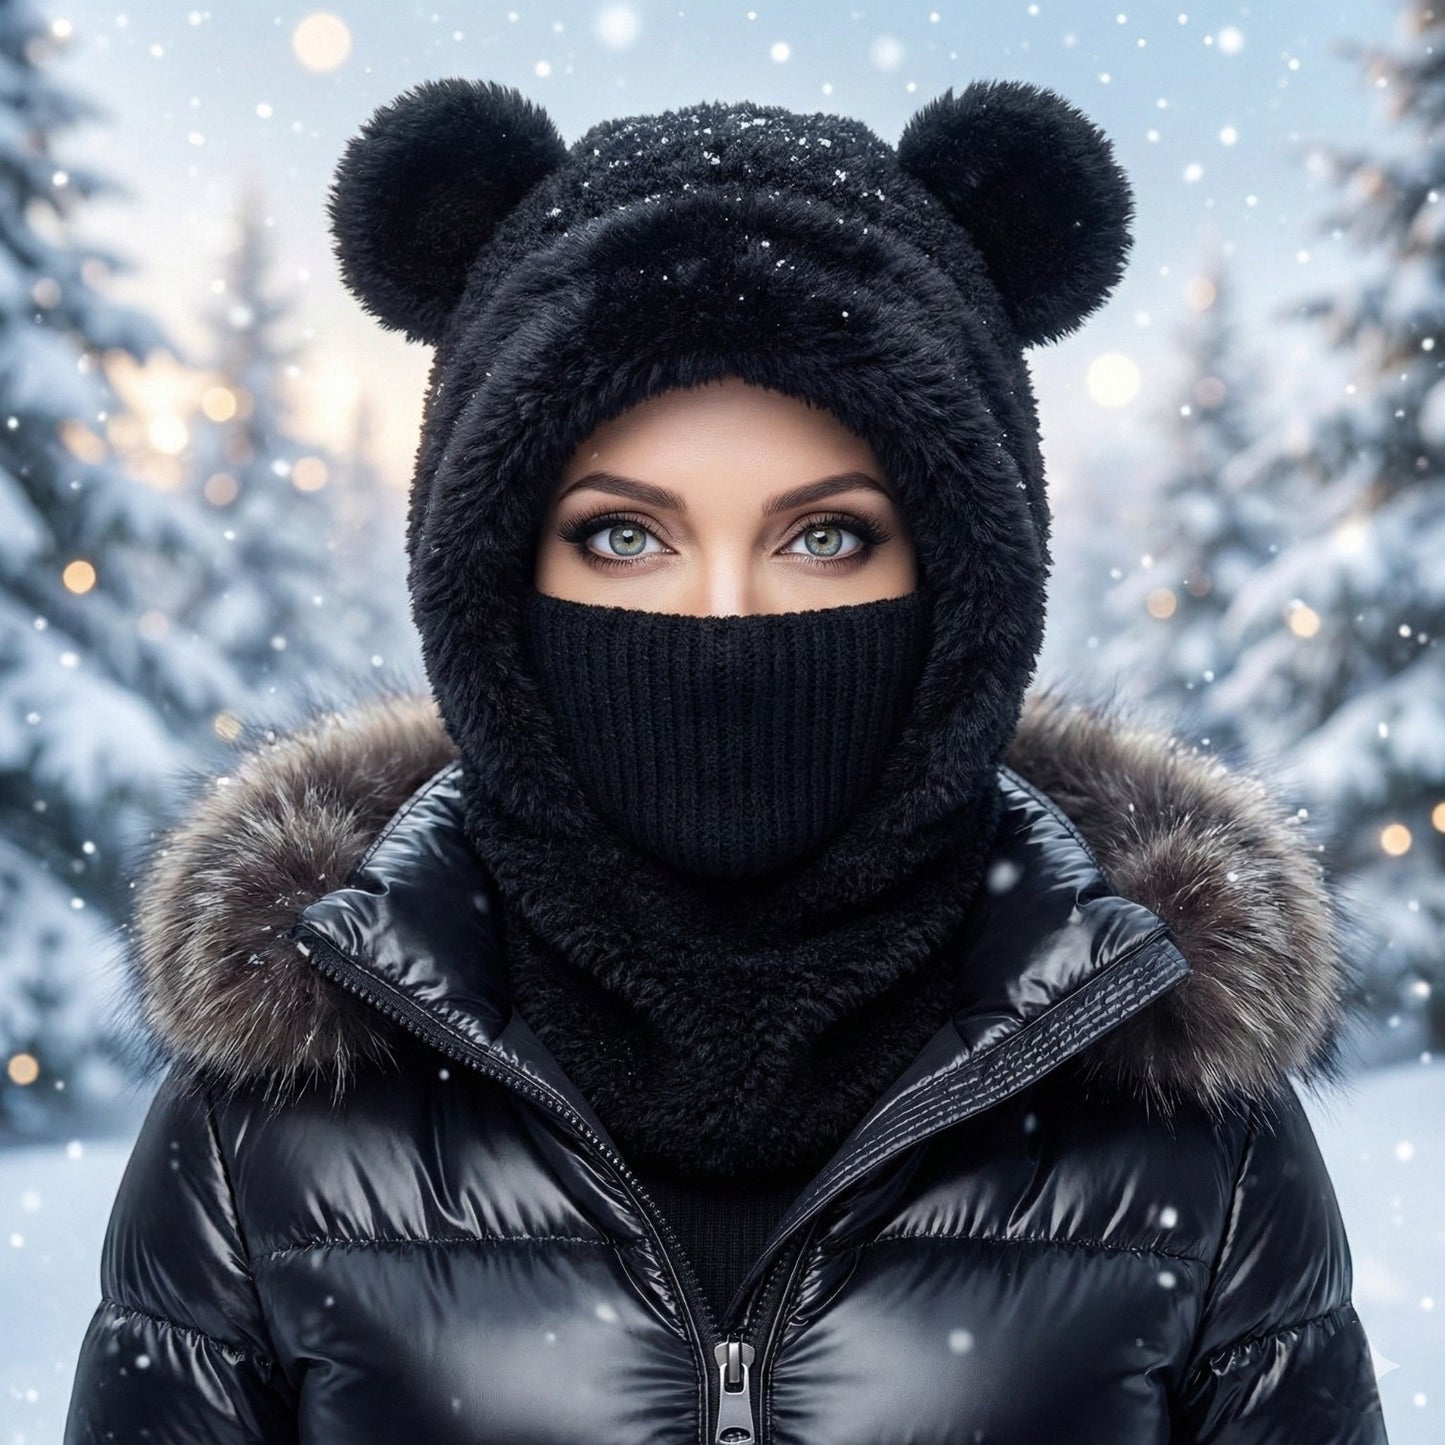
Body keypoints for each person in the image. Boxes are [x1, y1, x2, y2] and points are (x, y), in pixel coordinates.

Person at [63, 78, 1389, 1443]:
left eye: (825, 537)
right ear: (484, 573)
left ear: (965, 578)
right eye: (622, 537)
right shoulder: (275, 1100)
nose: (722, 618)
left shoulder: (1175, 1092)